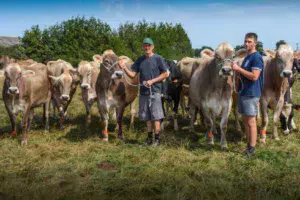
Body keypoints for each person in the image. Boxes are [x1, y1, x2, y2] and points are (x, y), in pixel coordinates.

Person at [119, 38, 169, 146]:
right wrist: (124, 68)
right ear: (142, 47)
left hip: (155, 92)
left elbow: (165, 74)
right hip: (143, 92)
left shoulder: (158, 58)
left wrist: (152, 81)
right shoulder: (140, 60)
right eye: (145, 45)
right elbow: (132, 74)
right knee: (146, 117)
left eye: (149, 45)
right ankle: (149, 139)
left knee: (156, 117)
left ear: (152, 47)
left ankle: (157, 140)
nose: (147, 47)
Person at [232, 32, 264, 156]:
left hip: (251, 93)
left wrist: (238, 69)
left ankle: (252, 148)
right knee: (245, 120)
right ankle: (248, 144)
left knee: (251, 121)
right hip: (243, 92)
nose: (246, 44)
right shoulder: (246, 57)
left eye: (249, 41)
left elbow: (255, 76)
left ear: (255, 43)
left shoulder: (256, 57)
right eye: (245, 41)